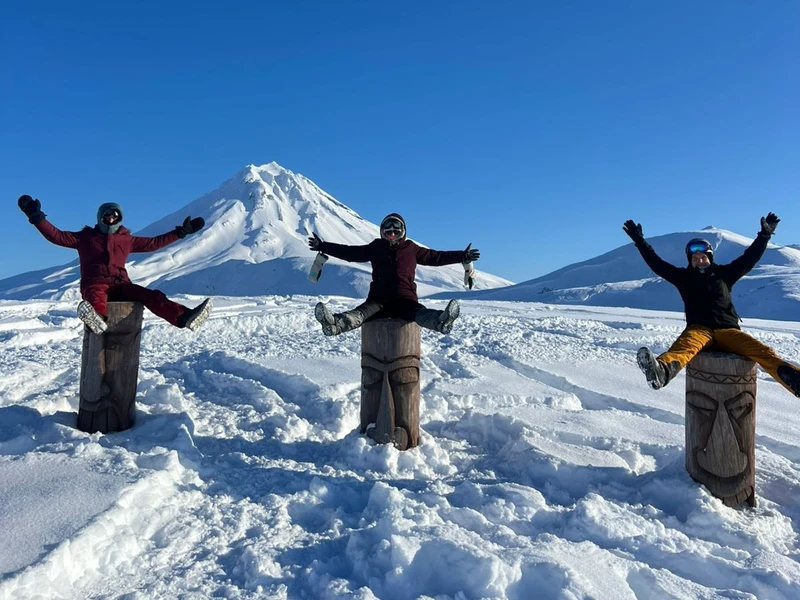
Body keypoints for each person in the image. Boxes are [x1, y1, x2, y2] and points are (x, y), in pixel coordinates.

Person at [623, 213, 800, 397]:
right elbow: (657, 264)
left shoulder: (725, 274)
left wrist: (764, 236)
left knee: (761, 351)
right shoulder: (683, 278)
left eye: (703, 256)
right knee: (684, 347)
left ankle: (796, 381)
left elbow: (749, 258)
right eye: (695, 258)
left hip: (728, 330)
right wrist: (640, 241)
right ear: (690, 260)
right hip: (699, 329)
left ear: (710, 257)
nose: (699, 260)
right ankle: (661, 372)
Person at [18, 195, 212, 334]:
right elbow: (57, 236)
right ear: (100, 218)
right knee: (95, 296)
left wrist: (181, 232)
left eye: (115, 216)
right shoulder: (86, 237)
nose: (111, 219)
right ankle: (98, 321)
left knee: (150, 295)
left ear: (120, 219)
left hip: (121, 284)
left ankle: (184, 317)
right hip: (95, 281)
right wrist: (37, 218)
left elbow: (154, 243)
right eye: (108, 216)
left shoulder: (126, 240)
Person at [308, 213, 480, 335]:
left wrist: (461, 255)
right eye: (387, 231)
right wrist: (323, 246)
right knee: (360, 314)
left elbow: (436, 257)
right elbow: (351, 253)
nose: (391, 234)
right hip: (378, 300)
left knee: (420, 314)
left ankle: (442, 322)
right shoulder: (376, 247)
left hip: (405, 299)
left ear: (402, 231)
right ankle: (335, 324)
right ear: (382, 231)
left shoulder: (411, 249)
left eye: (395, 231)